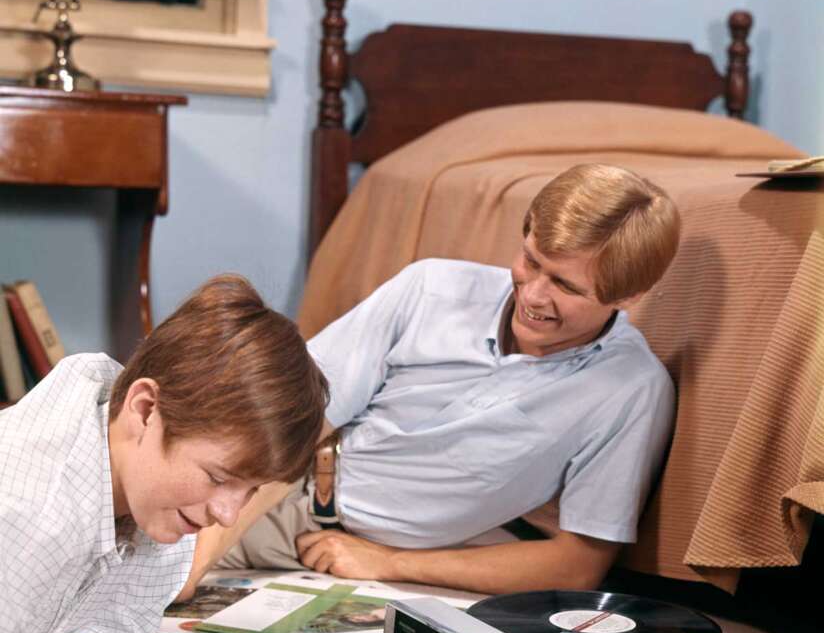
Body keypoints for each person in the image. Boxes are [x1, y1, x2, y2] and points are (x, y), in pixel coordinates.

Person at [182, 163, 680, 599]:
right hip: (283, 487)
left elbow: (577, 567)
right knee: (135, 546)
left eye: (565, 286)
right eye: (531, 261)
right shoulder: (430, 289)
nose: (533, 294)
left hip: (416, 552)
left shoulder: (632, 390)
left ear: (629, 295)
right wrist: (193, 564)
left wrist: (389, 564)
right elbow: (289, 422)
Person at [0, 274, 328, 633]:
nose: (226, 513)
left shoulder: (151, 486)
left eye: (248, 490)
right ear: (145, 409)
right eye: (219, 477)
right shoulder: (24, 510)